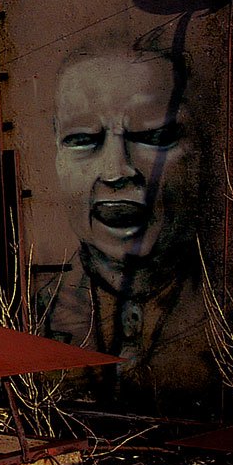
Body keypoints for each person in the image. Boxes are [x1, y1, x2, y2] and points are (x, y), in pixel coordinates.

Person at [36, 43, 213, 405]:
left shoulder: (229, 310)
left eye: (154, 137)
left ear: (203, 152)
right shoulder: (36, 310)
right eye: (83, 139)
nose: (116, 171)